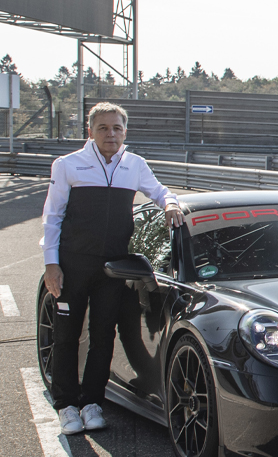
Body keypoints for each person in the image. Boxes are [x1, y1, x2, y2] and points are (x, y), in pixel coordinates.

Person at [41, 102, 183, 435]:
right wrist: (51, 263)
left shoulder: (135, 165)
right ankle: (65, 406)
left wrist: (171, 202)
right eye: (103, 128)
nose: (111, 134)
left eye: (117, 128)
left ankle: (92, 403)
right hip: (73, 265)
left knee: (103, 337)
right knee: (67, 337)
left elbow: (160, 191)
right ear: (90, 131)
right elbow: (53, 216)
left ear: (125, 131)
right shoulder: (67, 165)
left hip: (113, 269)